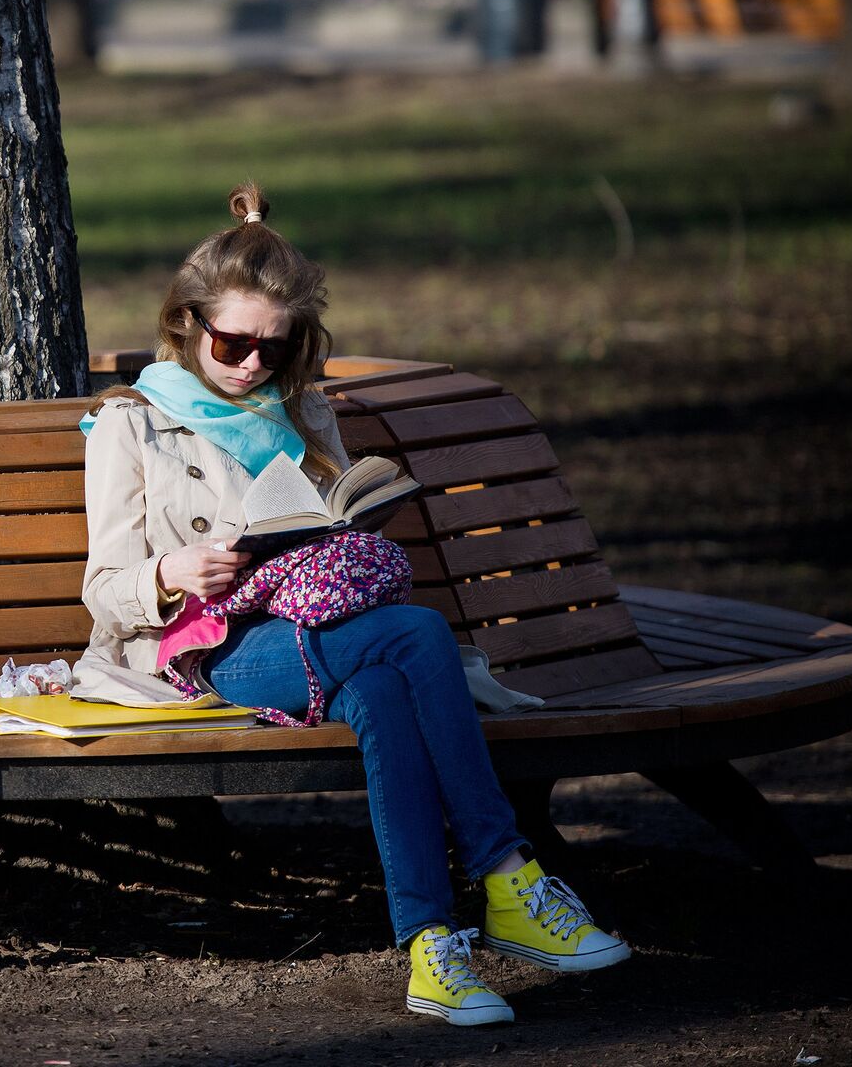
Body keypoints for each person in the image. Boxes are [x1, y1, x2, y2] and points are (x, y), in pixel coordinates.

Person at [71, 181, 629, 1027]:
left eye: (274, 347)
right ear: (186, 323)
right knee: (414, 634)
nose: (252, 364)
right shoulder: (131, 425)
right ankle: (509, 878)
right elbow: (104, 591)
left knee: (381, 691)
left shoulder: (302, 410)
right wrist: (174, 570)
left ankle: (432, 949)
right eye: (231, 343)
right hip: (213, 645)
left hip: (324, 625)